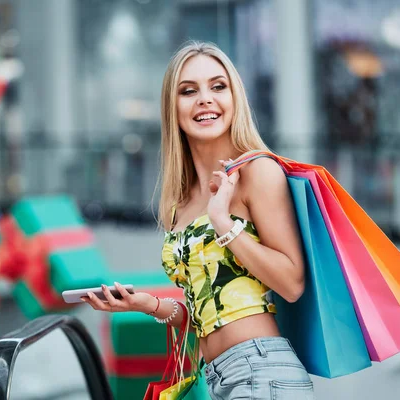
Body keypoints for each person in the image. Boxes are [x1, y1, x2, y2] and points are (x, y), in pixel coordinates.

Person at [81, 41, 315, 400]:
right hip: (217, 378)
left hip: (263, 371)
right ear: (172, 108)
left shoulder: (258, 172)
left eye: (218, 86)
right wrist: (148, 304)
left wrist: (224, 222)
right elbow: (214, 309)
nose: (205, 99)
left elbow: (291, 281)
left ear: (234, 98)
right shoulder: (180, 199)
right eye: (188, 91)